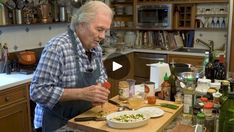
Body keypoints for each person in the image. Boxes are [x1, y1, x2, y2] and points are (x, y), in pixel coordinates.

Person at [30, 1, 113, 131]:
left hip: (84, 120)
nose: (102, 36)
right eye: (99, 29)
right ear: (81, 24)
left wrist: (100, 91)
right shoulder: (58, 48)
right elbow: (37, 92)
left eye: (105, 31)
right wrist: (81, 93)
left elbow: (101, 78)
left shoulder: (96, 49)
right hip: (58, 124)